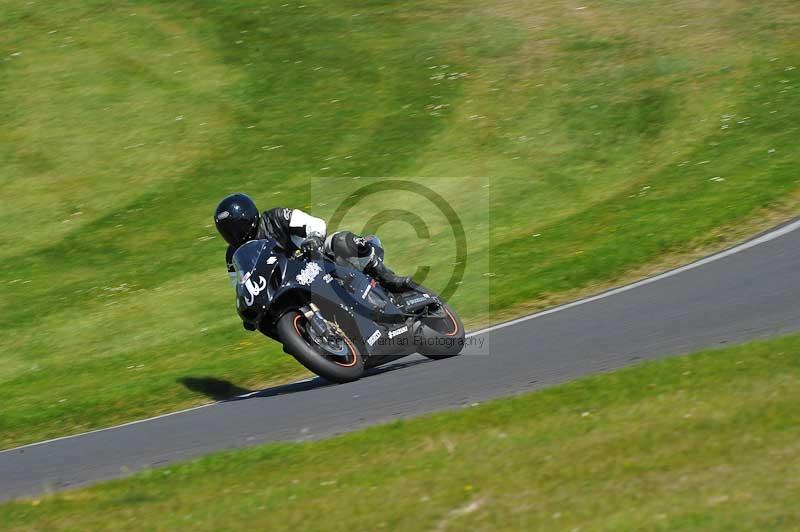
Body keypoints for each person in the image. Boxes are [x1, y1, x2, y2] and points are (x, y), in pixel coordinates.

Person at [213, 193, 412, 291]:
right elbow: (240, 286)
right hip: (286, 286)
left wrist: (314, 239)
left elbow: (314, 223)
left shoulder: (277, 217)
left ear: (249, 218)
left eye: (237, 227)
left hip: (315, 259)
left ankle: (387, 278)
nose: (234, 234)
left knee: (341, 240)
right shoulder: (233, 256)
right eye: (228, 231)